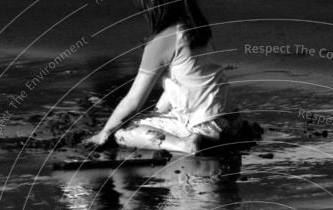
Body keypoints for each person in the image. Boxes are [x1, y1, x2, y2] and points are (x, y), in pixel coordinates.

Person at [85, 0, 240, 155]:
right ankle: (200, 137)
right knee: (151, 119)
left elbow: (133, 100)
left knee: (122, 131)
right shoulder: (196, 32)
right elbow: (176, 85)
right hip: (230, 123)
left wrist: (104, 132)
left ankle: (184, 144)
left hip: (204, 125)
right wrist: (156, 115)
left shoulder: (162, 41)